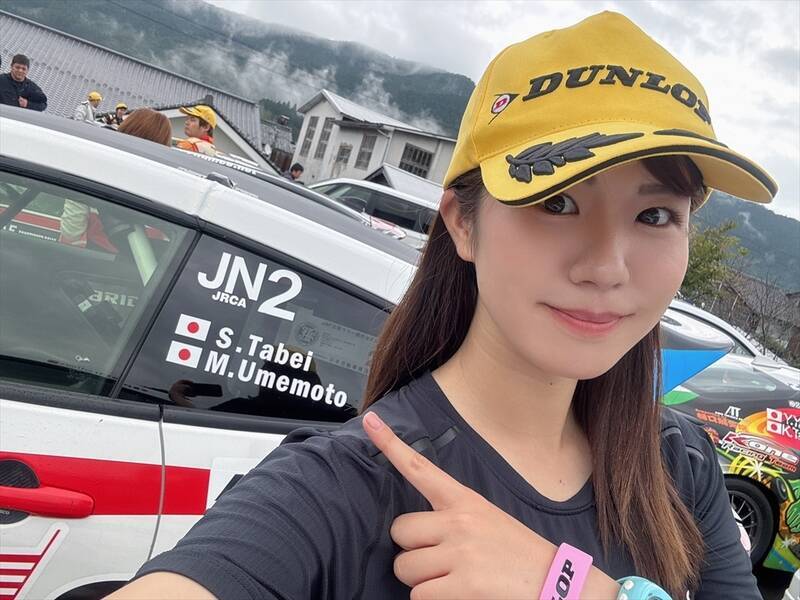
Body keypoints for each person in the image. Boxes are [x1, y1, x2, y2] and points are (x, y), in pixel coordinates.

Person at [110, 12, 776, 600]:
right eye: (557, 202)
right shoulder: (344, 489)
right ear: (462, 223)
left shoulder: (675, 462)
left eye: (655, 215)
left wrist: (572, 588)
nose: (606, 267)